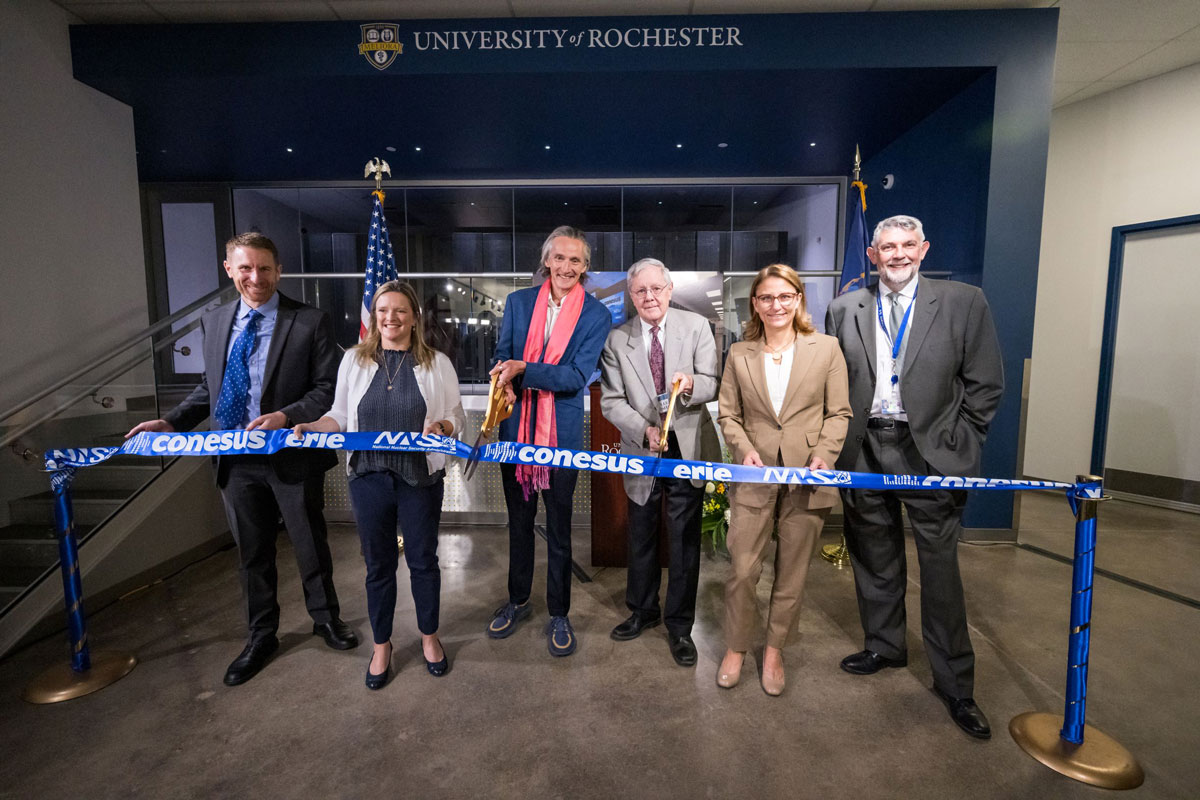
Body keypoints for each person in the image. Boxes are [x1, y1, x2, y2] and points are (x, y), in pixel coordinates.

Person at [126, 232, 356, 686]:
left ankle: (325, 618)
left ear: (279, 270)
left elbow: (328, 389)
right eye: (246, 268)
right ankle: (261, 635)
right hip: (233, 460)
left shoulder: (309, 321)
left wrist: (286, 416)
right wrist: (171, 422)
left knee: (310, 544)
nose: (256, 278)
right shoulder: (214, 322)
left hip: (291, 454)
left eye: (265, 268)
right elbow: (209, 390)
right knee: (252, 554)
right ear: (229, 269)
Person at [825, 215, 1004, 738]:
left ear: (923, 249)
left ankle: (955, 685)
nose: (897, 254)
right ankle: (884, 646)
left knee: (940, 572)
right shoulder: (844, 308)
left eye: (907, 245)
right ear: (873, 254)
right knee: (874, 557)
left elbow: (986, 384)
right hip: (864, 449)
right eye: (887, 247)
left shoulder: (963, 302)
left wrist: (961, 443)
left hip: (933, 452)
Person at [294, 281, 464, 689]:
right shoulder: (354, 360)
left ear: (414, 317)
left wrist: (443, 426)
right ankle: (383, 644)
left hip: (420, 478)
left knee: (423, 562)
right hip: (368, 478)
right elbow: (339, 414)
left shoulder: (437, 363)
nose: (391, 318)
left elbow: (457, 417)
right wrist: (312, 427)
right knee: (379, 566)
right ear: (373, 317)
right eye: (383, 310)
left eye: (401, 310)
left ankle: (429, 637)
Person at [716, 264, 851, 696]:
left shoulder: (826, 348)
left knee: (791, 573)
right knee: (741, 570)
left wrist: (823, 456)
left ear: (798, 300)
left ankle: (774, 649)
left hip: (808, 477)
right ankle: (736, 647)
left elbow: (839, 413)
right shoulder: (740, 353)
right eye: (767, 297)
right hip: (753, 476)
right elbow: (729, 414)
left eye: (785, 296)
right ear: (755, 303)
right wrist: (743, 450)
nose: (776, 305)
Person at [485, 226, 611, 657]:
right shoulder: (518, 303)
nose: (567, 267)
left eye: (576, 261)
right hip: (515, 431)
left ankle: (559, 611)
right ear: (547, 261)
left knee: (559, 530)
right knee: (518, 525)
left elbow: (577, 377)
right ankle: (518, 600)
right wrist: (502, 368)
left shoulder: (596, 315)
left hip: (562, 438)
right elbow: (501, 354)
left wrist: (524, 369)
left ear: (585, 268)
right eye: (560, 258)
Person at [599, 258, 720, 667]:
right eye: (640, 291)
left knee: (684, 541)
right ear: (631, 297)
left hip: (687, 447)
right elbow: (611, 401)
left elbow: (712, 381)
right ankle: (642, 611)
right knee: (642, 534)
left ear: (669, 290)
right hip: (641, 448)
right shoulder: (617, 340)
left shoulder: (697, 327)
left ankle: (681, 626)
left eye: (656, 289)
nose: (649, 297)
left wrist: (690, 386)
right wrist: (644, 431)